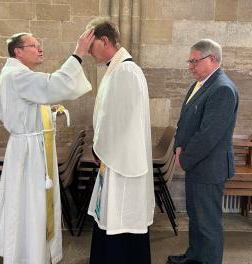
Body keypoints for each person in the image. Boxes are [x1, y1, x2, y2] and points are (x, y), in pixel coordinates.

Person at [0, 30, 95, 264]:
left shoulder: (14, 74)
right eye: (34, 45)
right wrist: (78, 54)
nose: (40, 49)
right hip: (29, 153)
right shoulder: (17, 75)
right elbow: (53, 84)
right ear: (18, 51)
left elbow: (28, 105)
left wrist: (47, 111)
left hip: (26, 146)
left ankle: (29, 251)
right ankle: (28, 254)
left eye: (40, 44)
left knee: (28, 203)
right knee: (31, 203)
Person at [85, 18, 155, 264]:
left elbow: (120, 122)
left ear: (104, 41)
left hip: (122, 161)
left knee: (121, 217)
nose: (89, 52)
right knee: (113, 215)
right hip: (115, 156)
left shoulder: (125, 71)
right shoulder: (117, 68)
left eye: (91, 46)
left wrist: (99, 148)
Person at [168, 39, 238, 264]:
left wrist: (184, 158)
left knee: (208, 224)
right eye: (189, 61)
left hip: (209, 168)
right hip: (199, 165)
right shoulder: (201, 83)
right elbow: (186, 120)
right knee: (196, 218)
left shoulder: (223, 89)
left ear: (212, 59)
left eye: (194, 61)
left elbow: (209, 135)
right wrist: (179, 145)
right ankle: (195, 258)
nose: (190, 66)